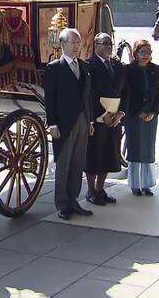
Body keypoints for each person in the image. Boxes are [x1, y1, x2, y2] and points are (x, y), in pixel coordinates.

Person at [44, 28, 94, 220]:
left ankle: (74, 199)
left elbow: (88, 96)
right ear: (63, 44)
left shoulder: (84, 66)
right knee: (63, 163)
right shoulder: (54, 67)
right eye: (73, 43)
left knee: (78, 161)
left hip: (82, 119)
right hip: (64, 122)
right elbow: (50, 99)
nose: (76, 46)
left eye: (78, 42)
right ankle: (62, 203)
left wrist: (90, 120)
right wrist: (52, 123)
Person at [85, 33, 127, 206]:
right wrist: (99, 114)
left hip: (115, 118)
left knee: (110, 154)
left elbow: (126, 90)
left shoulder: (117, 65)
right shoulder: (88, 65)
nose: (109, 46)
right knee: (94, 155)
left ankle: (101, 189)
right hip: (98, 118)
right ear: (96, 45)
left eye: (110, 43)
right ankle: (91, 190)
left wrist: (121, 112)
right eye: (104, 43)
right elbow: (87, 93)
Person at [124, 40, 159, 196]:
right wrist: (137, 111)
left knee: (147, 149)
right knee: (135, 148)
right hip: (134, 115)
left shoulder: (155, 69)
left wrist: (153, 112)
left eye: (149, 52)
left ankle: (147, 183)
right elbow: (127, 94)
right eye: (143, 52)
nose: (146, 55)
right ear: (136, 53)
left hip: (151, 115)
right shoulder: (129, 70)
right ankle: (135, 184)